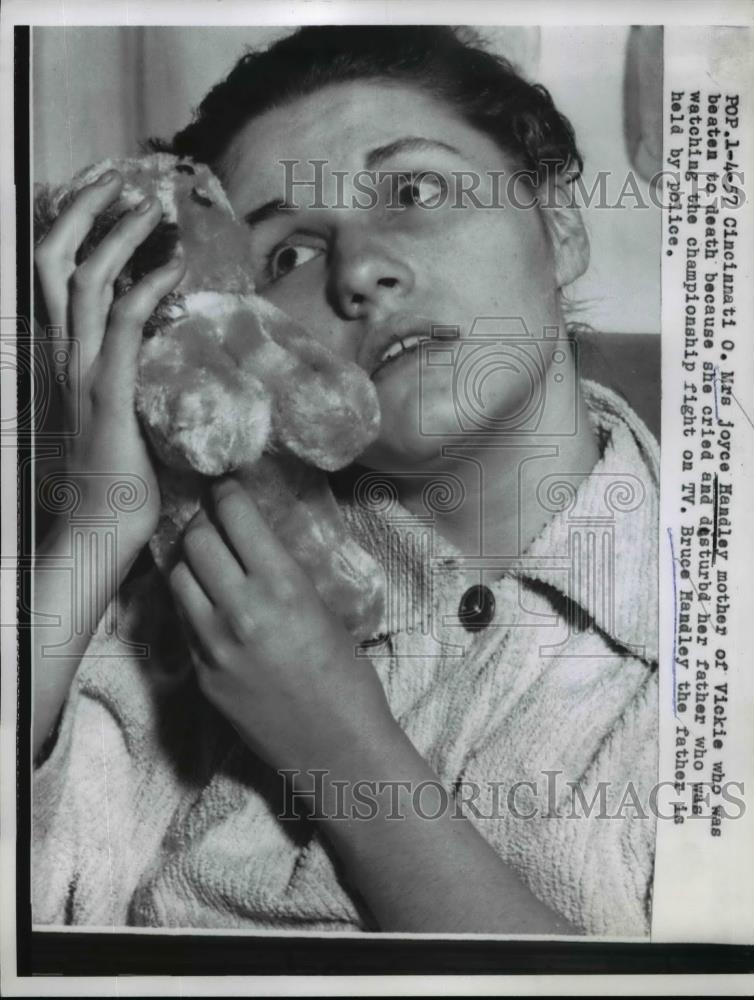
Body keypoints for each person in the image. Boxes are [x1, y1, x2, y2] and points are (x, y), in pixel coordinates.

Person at [31, 25, 659, 935]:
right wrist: (96, 527)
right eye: (288, 255)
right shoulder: (192, 594)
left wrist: (343, 752)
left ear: (559, 225)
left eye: (413, 190)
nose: (361, 270)